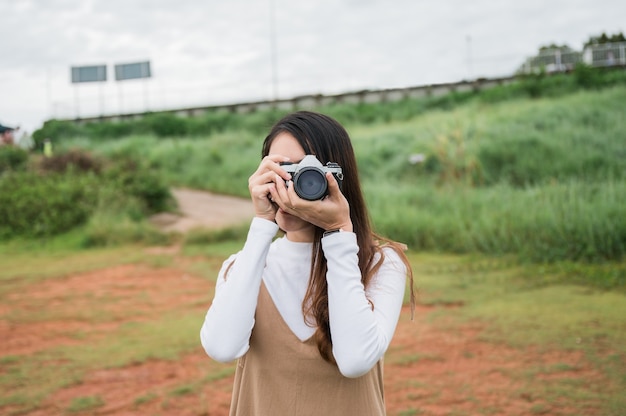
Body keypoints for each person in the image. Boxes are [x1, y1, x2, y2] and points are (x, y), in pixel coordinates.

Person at [200, 110, 415, 416]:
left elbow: (354, 360)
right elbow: (221, 348)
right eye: (280, 169)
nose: (288, 184)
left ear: (337, 177)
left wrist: (340, 232)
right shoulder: (242, 266)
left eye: (304, 171)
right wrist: (262, 223)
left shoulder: (381, 264)